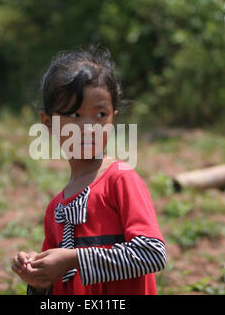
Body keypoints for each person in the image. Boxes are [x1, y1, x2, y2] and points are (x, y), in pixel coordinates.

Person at [12, 44, 166, 295]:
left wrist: (74, 259)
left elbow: (152, 254)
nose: (88, 126)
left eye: (100, 114)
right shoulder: (56, 209)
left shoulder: (121, 180)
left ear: (113, 118)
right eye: (74, 113)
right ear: (48, 123)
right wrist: (39, 279)